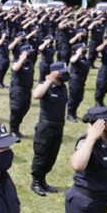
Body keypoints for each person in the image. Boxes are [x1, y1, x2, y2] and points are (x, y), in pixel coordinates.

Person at [30, 62, 69, 196]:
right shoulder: (46, 85)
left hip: (59, 126)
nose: (66, 74)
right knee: (41, 155)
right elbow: (36, 95)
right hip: (46, 127)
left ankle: (43, 180)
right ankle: (35, 182)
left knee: (51, 156)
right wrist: (49, 80)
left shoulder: (63, 87)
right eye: (62, 72)